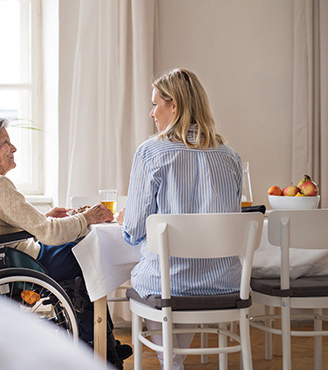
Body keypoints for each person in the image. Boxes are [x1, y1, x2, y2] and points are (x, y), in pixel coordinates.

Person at [0, 117, 132, 369]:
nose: (13, 148)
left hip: (7, 260)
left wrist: (46, 218)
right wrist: (87, 217)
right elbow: (49, 234)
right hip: (24, 266)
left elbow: (0, 226)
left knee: (82, 251)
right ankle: (100, 351)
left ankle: (105, 345)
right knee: (90, 253)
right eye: (5, 142)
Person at [118, 68, 243, 369]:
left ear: (174, 106)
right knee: (180, 274)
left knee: (159, 275)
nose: (151, 113)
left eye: (155, 104)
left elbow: (134, 230)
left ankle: (170, 362)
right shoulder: (230, 156)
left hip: (170, 285)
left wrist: (128, 219)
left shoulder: (151, 152)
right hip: (224, 283)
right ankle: (173, 361)